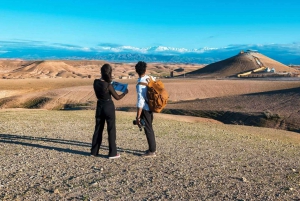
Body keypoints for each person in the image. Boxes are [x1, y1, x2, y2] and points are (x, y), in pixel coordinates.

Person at [91, 63, 128, 159]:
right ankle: (112, 153)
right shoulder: (108, 85)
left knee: (98, 128)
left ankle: (94, 151)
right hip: (109, 107)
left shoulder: (95, 82)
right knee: (111, 130)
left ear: (101, 72)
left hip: (99, 106)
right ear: (109, 73)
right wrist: (125, 93)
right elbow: (117, 97)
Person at [135, 61, 157, 157]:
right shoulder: (150, 78)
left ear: (136, 71)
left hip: (145, 109)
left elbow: (141, 101)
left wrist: (138, 116)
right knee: (149, 127)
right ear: (145, 70)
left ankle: (152, 151)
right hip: (151, 107)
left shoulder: (140, 84)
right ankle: (151, 148)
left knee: (148, 129)